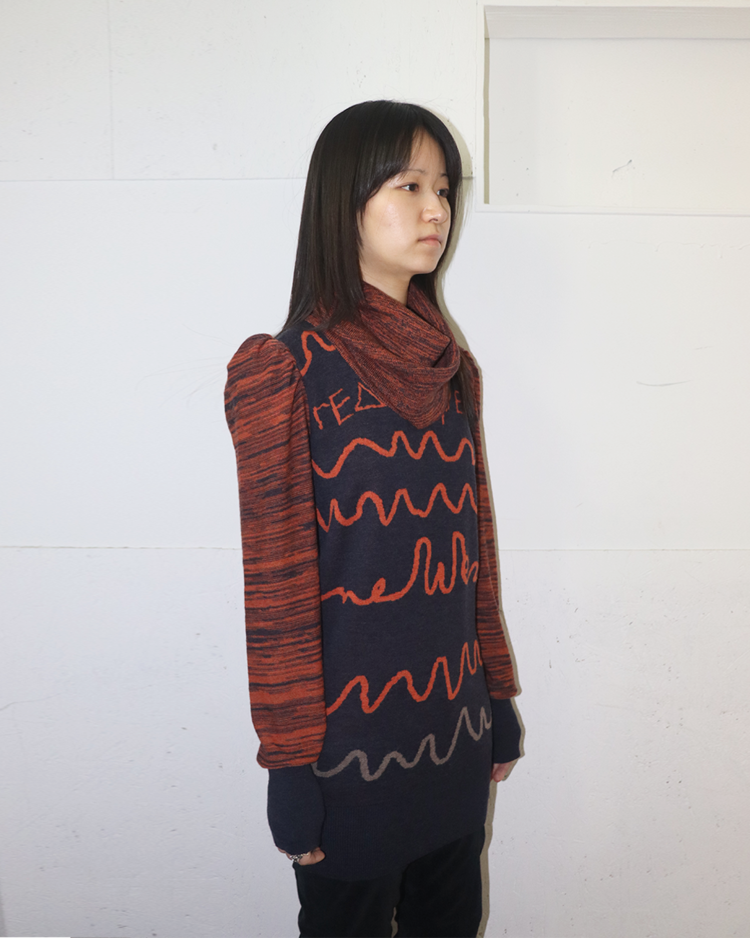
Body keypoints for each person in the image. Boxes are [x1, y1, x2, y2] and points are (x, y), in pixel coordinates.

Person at [224, 100, 521, 938]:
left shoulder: (451, 371)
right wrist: (290, 768)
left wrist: (496, 695)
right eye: (409, 186)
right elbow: (277, 593)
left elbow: (473, 552)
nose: (437, 211)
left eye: (444, 189)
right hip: (347, 759)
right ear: (344, 200)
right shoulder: (284, 373)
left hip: (454, 738)